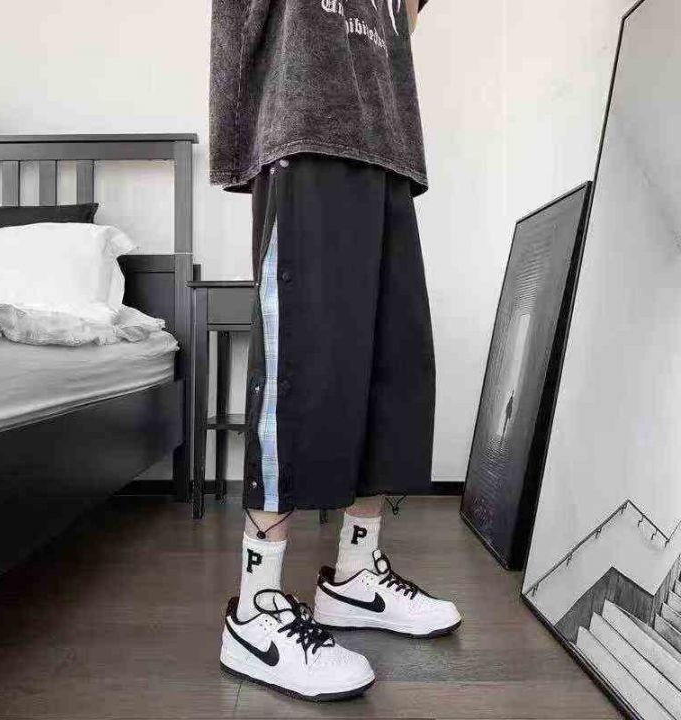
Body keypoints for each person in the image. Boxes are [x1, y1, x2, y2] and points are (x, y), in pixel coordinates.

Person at [209, 0, 461, 701]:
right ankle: (256, 611)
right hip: (305, 122)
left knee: (390, 366)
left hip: (388, 140)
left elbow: (401, 19)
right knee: (306, 367)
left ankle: (355, 577)